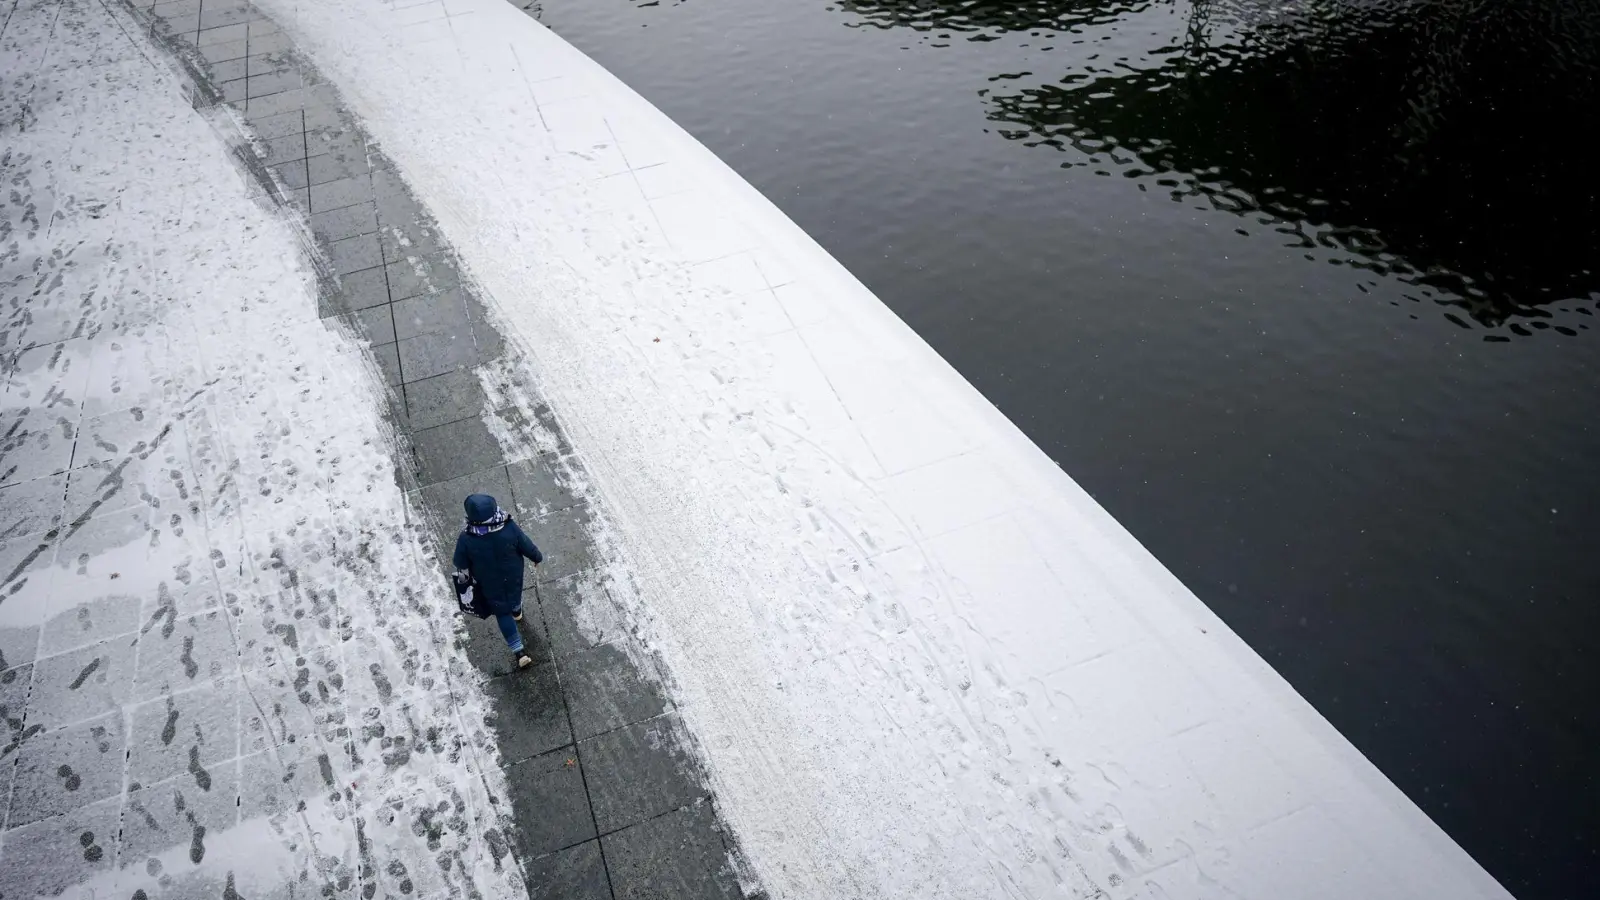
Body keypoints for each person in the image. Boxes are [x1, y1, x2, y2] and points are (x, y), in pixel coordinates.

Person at [452, 493, 543, 669]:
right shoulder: (509, 526)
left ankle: (519, 652)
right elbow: (525, 544)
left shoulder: (466, 538)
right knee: (515, 594)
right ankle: (517, 611)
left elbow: (460, 563)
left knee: (502, 612)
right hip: (513, 574)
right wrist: (536, 556)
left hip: (489, 582)